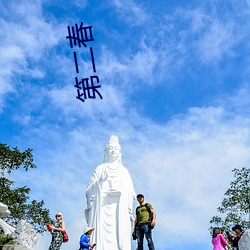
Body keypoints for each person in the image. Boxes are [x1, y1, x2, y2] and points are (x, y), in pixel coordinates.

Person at [85, 135, 136, 250]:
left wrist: (122, 192)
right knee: (100, 237)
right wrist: (100, 181)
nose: (113, 151)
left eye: (115, 149)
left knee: (119, 237)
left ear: (120, 152)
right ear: (106, 151)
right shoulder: (100, 169)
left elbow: (131, 193)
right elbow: (88, 190)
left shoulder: (124, 171)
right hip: (101, 208)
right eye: (111, 148)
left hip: (119, 209)